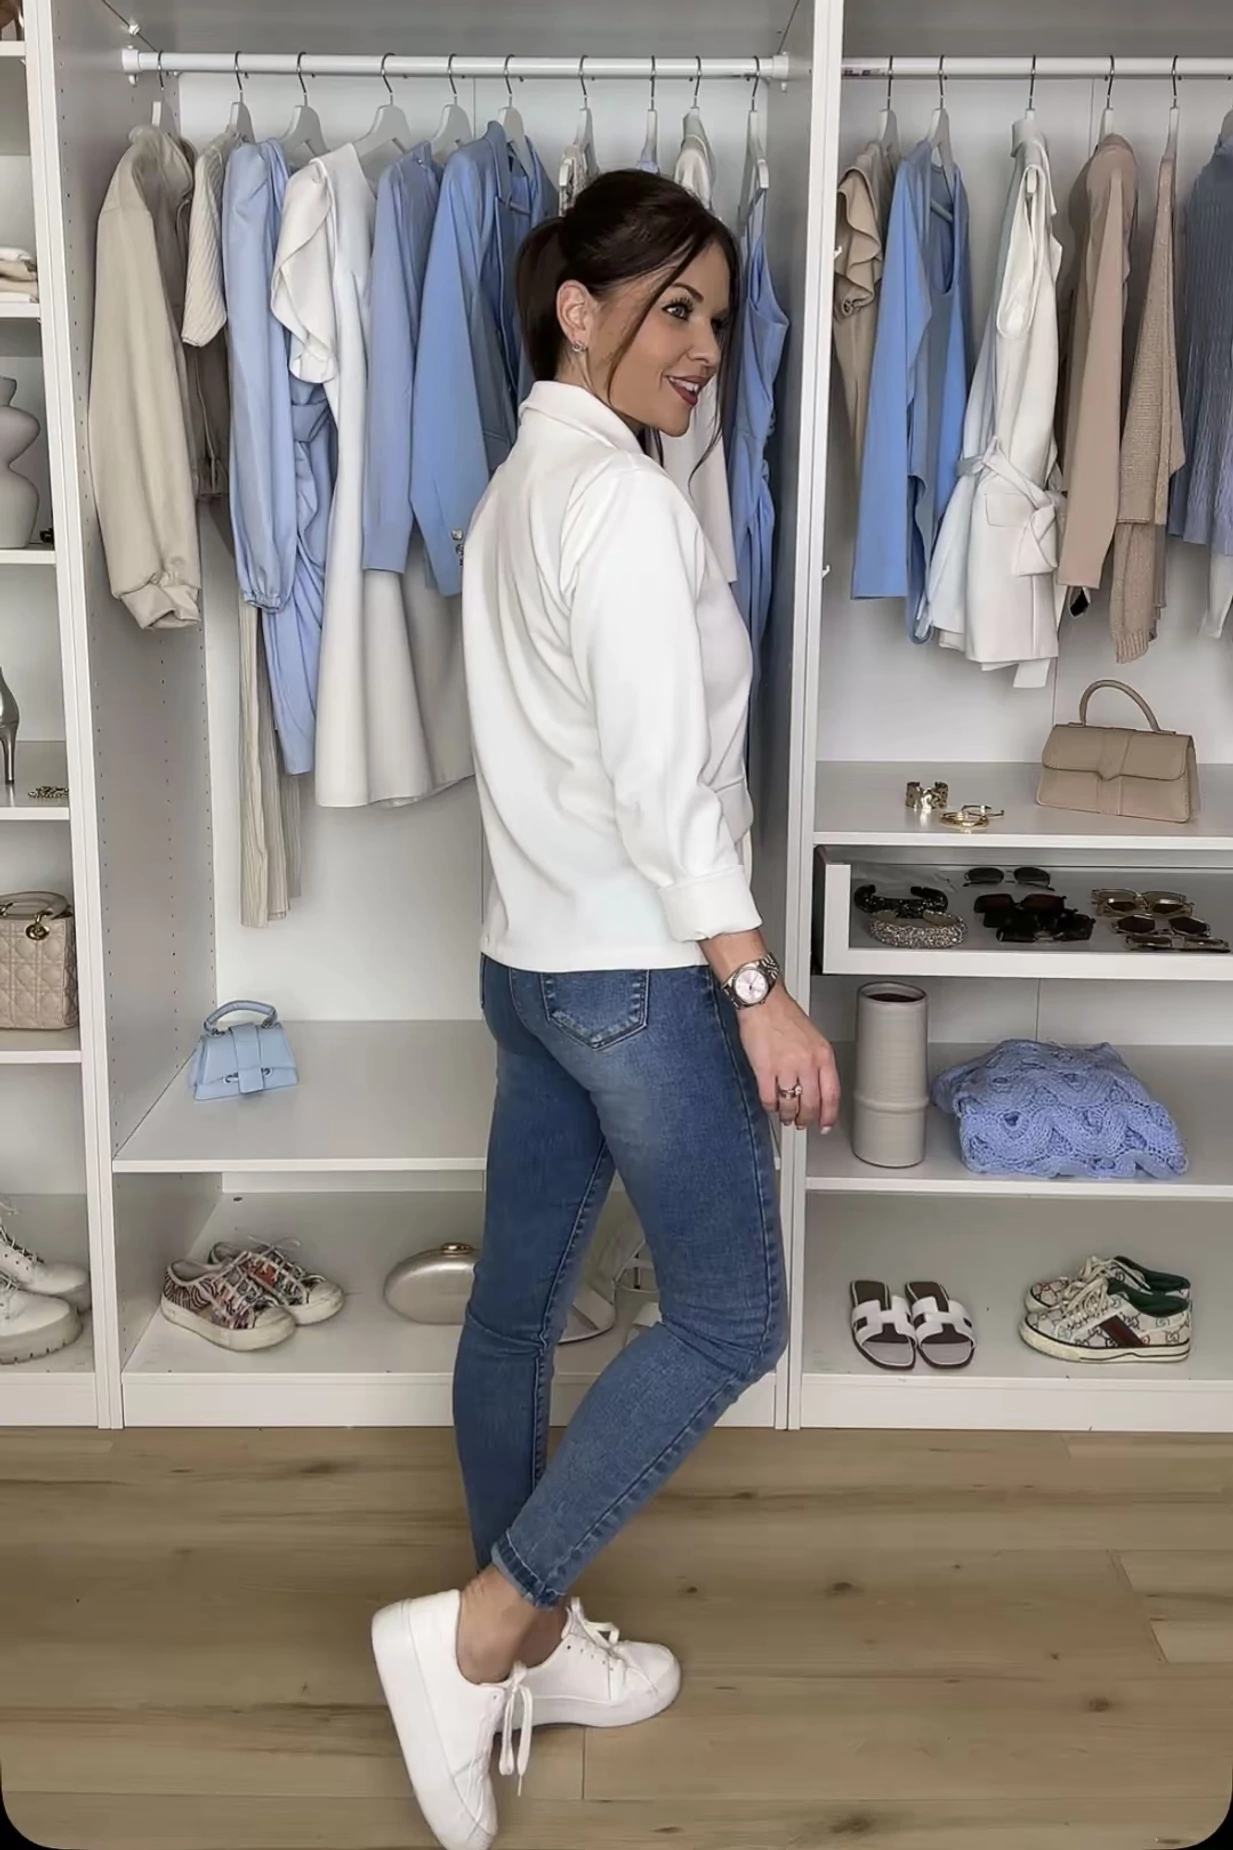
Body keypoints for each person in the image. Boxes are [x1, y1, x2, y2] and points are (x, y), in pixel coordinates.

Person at [371, 169, 840, 1850]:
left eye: (718, 313)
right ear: (579, 310)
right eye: (675, 307)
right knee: (729, 1320)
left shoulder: (522, 487)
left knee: (516, 1314)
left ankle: (527, 1641)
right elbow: (659, 788)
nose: (706, 344)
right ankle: (480, 1630)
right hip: (638, 975)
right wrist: (760, 989)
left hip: (530, 969)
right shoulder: (623, 507)